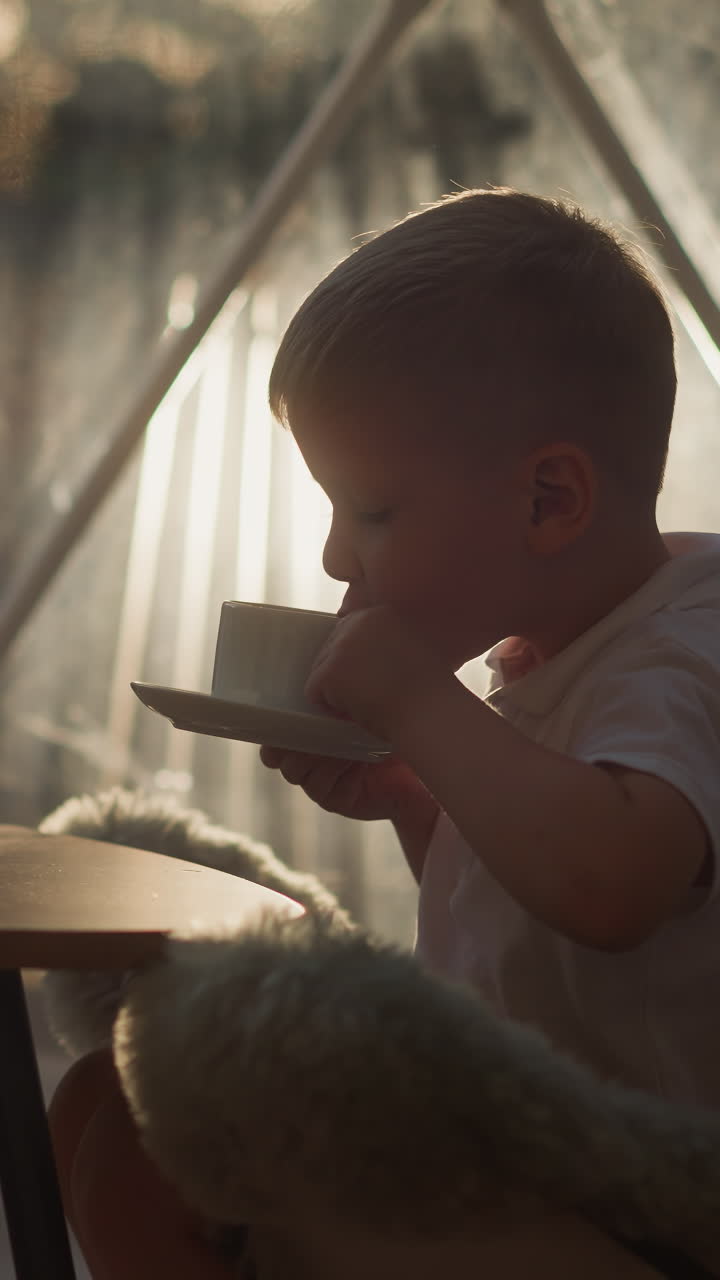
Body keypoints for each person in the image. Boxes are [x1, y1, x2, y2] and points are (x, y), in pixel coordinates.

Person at [260, 186, 720, 1109]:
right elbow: (531, 930)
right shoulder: (555, 655)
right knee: (109, 1117)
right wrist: (419, 801)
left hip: (651, 1205)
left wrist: (421, 704)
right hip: (538, 1151)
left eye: (373, 512)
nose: (333, 555)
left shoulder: (683, 657)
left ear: (548, 501)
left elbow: (610, 888)